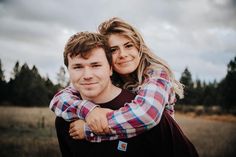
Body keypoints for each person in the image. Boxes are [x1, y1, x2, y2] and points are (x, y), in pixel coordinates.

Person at [51, 17, 199, 156]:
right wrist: (89, 111)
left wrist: (89, 128)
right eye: (114, 50)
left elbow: (146, 114)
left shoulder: (156, 75)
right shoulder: (103, 79)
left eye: (128, 46)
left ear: (139, 48)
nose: (122, 54)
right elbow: (61, 98)